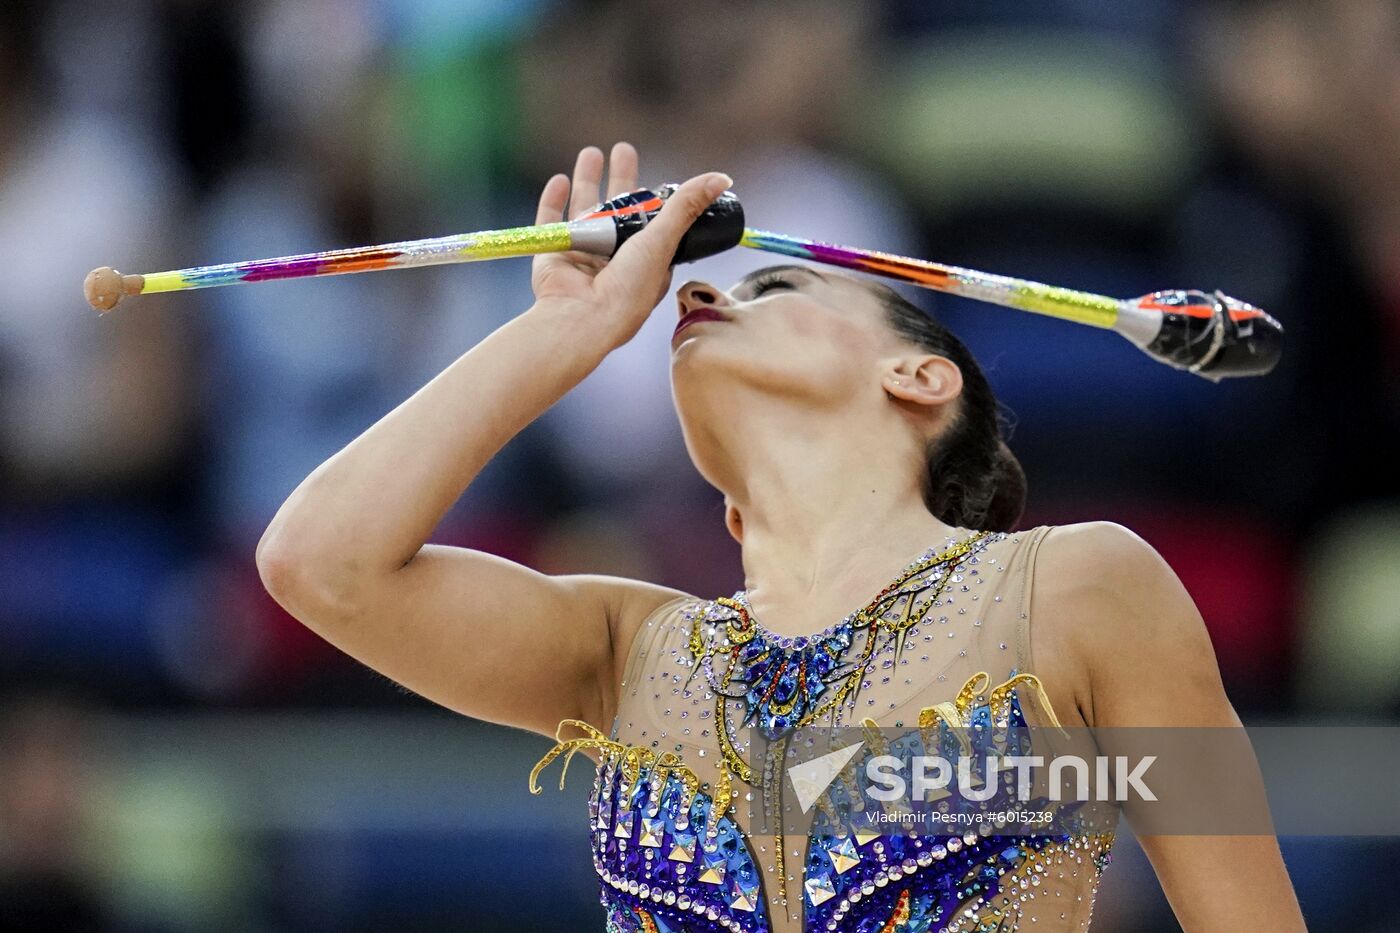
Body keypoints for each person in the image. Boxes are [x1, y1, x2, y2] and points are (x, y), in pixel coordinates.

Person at [256, 144, 1307, 932]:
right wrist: (556, 336)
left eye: (775, 284)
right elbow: (318, 564)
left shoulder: (1084, 586)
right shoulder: (631, 649)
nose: (701, 290)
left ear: (918, 377)